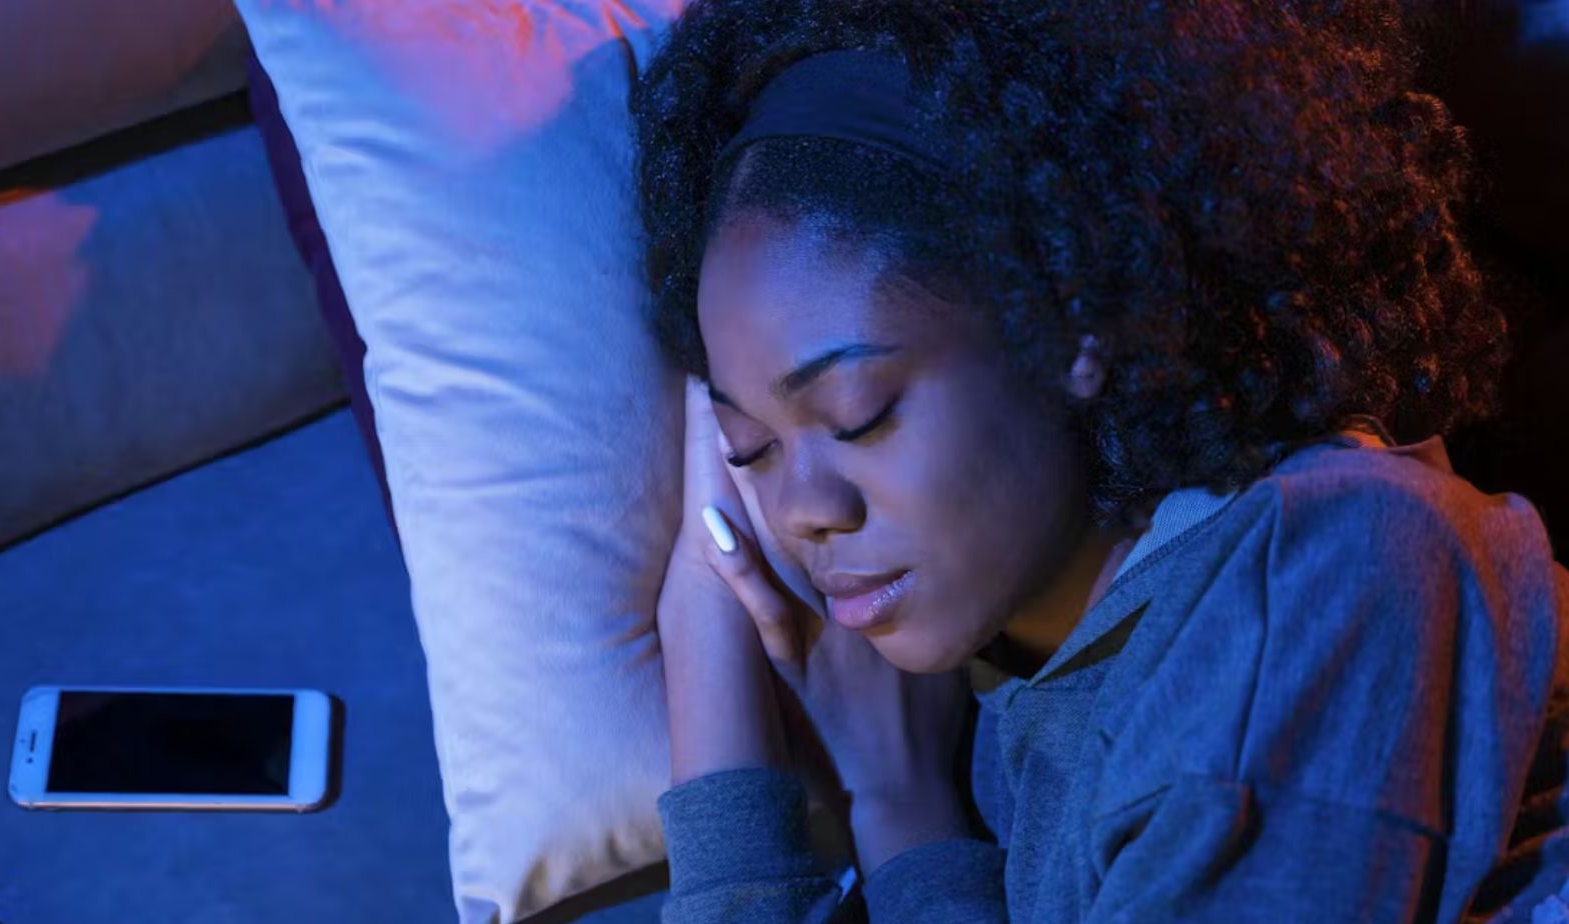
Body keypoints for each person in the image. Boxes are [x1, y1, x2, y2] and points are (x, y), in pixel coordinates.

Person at [632, 0, 1569, 920]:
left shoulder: (1329, 565)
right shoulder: (1011, 707)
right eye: (751, 448)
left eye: (857, 415)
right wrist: (847, 777)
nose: (803, 509)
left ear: (1068, 316)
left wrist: (870, 812)